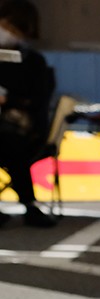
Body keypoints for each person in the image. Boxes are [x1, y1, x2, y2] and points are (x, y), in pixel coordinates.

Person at [0, 0, 54, 228]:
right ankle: (29, 205)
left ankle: (29, 204)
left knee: (7, 139)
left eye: (14, 29)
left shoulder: (34, 62)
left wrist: (7, 99)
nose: (8, 34)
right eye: (6, 26)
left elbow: (38, 101)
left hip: (26, 129)